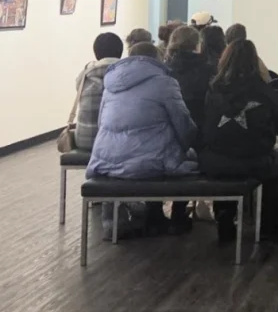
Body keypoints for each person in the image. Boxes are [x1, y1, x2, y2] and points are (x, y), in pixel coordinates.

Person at [86, 42, 198, 238]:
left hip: (107, 160)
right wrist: (191, 142)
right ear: (157, 59)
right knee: (188, 157)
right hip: (150, 163)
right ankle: (176, 218)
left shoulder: (110, 83)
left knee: (152, 150)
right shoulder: (165, 83)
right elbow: (182, 123)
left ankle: (138, 217)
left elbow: (101, 121)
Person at [199, 39, 278, 242]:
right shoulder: (264, 90)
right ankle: (269, 221)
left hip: (215, 161)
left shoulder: (213, 90)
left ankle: (225, 216)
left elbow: (206, 124)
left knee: (228, 166)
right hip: (255, 160)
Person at [74, 33, 124, 151]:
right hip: (112, 143)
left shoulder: (85, 74)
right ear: (120, 51)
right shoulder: (124, 74)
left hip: (84, 139)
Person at [165, 26, 215, 134]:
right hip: (203, 130)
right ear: (198, 45)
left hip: (174, 131)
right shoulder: (209, 70)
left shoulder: (165, 70)